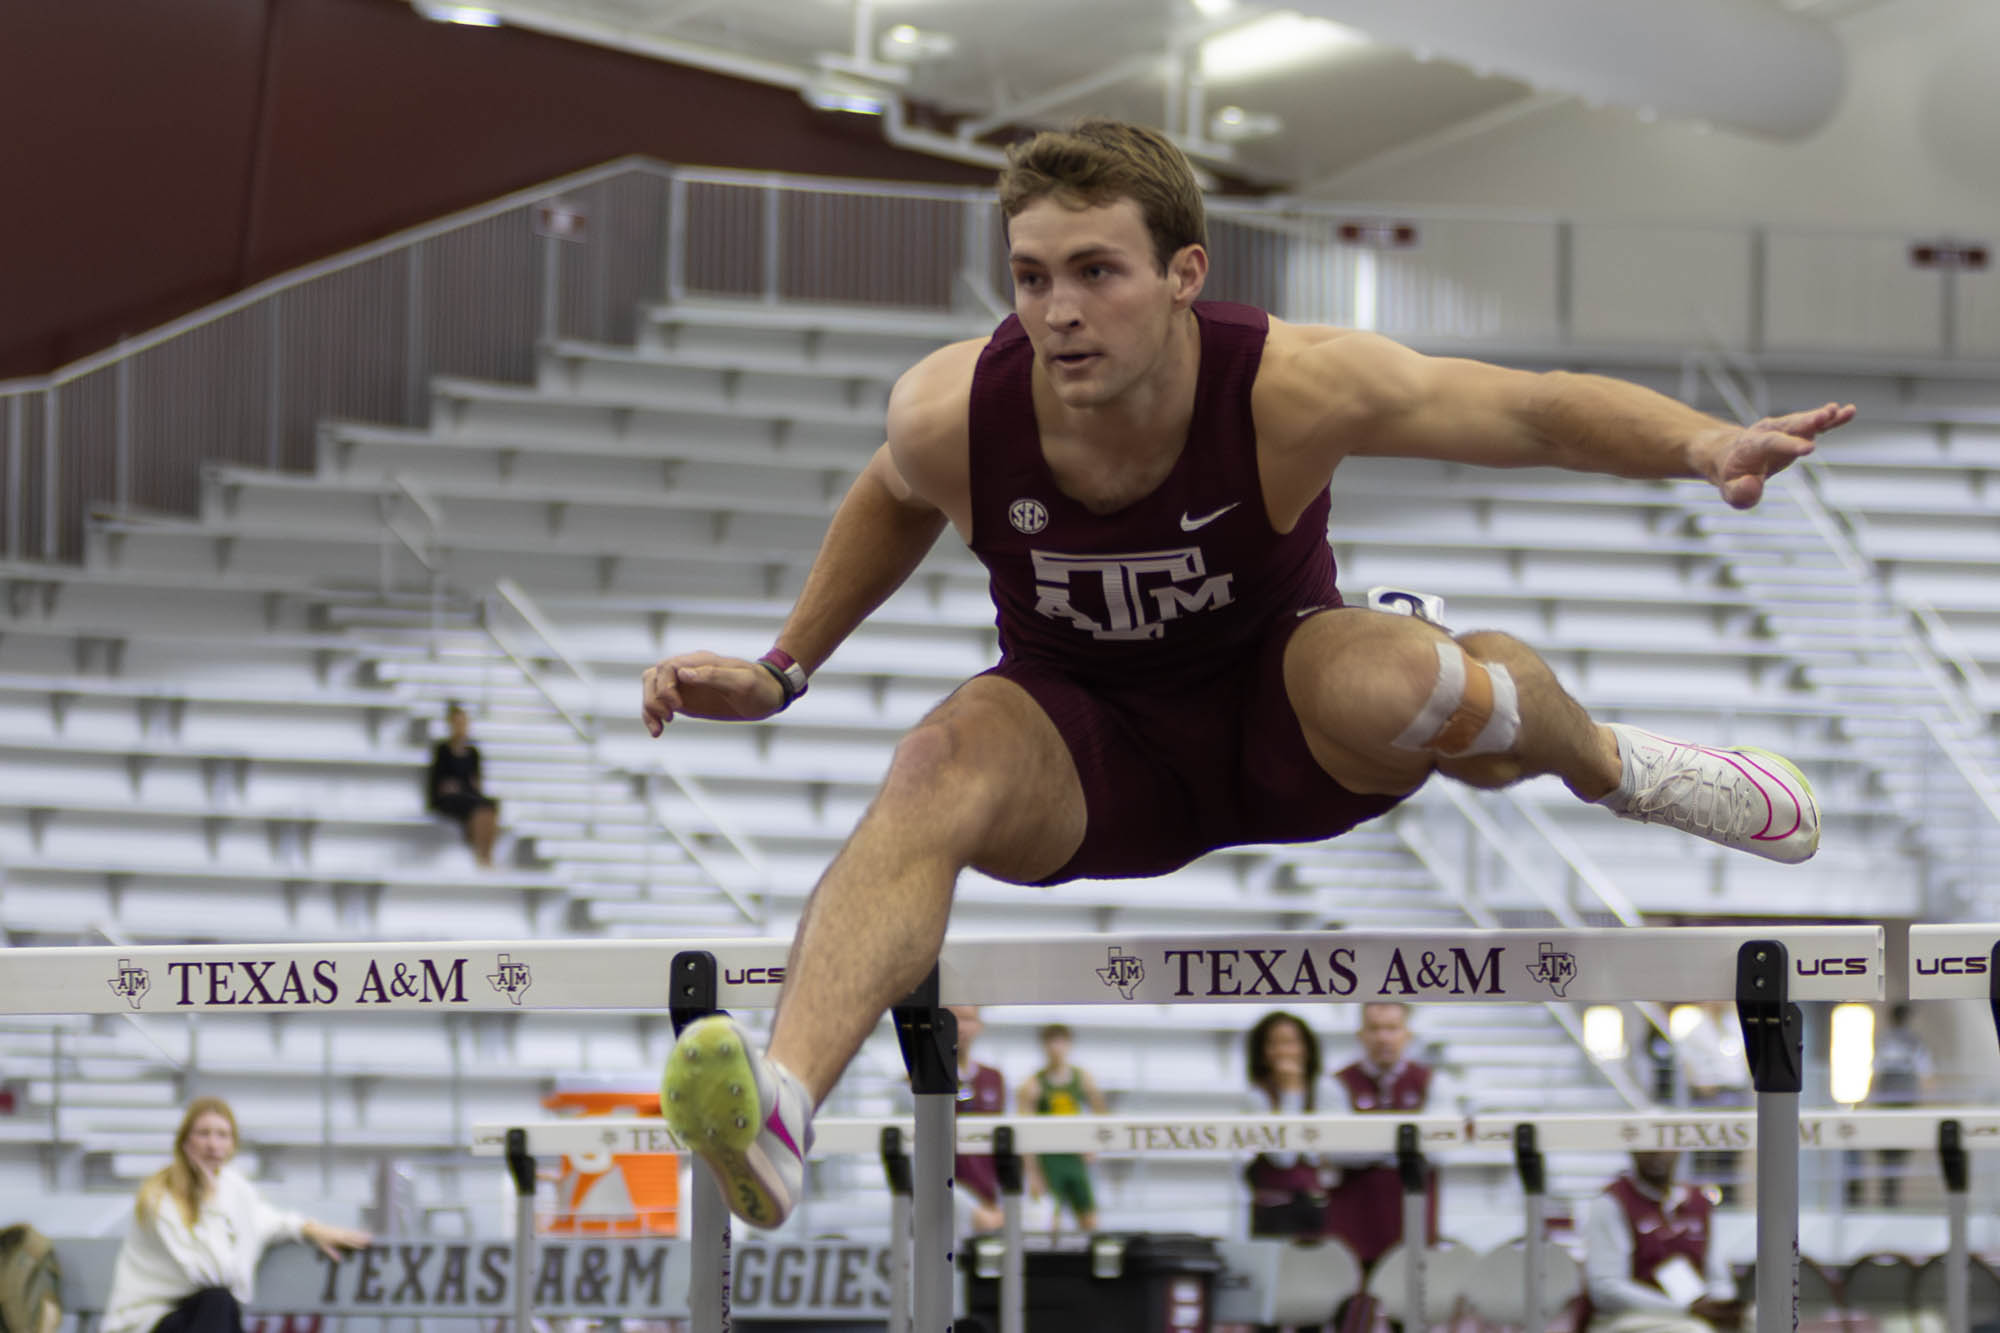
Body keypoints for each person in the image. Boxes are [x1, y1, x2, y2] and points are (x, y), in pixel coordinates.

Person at [642, 118, 1848, 1229]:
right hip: (1086, 744)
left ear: (1182, 275)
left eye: (1095, 272)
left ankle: (1621, 767)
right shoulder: (953, 407)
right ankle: (785, 1108)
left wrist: (1701, 444)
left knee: (1404, 680)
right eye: (1030, 277)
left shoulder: (1287, 382)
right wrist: (781, 668)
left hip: (1284, 713)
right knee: (934, 758)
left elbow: (1526, 413)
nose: (1057, 311)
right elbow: (894, 494)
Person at [103, 1098, 371, 1333]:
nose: (212, 1144)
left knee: (222, 1308)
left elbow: (268, 1222)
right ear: (185, 1142)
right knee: (219, 1300)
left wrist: (312, 1230)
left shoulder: (234, 1188)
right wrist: (209, 1202)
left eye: (222, 1135)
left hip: (203, 1319)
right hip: (148, 1322)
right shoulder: (161, 1198)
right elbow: (213, 1274)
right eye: (203, 1134)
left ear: (233, 1145)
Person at [1323, 1002, 1449, 1267]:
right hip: (1354, 1223)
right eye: (1374, 1028)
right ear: (1361, 1035)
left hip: (1414, 1221)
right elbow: (1338, 1150)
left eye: (1392, 1028)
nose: (1383, 1037)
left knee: (1414, 1298)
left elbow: (1440, 1147)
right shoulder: (1336, 1083)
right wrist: (1406, 1141)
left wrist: (1368, 1140)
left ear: (1407, 1034)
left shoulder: (1433, 1082)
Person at [1583, 1151, 1743, 1333]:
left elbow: (1719, 1277)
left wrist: (1720, 1306)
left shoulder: (1699, 1202)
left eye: (1665, 1145)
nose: (1657, 1154)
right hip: (1632, 1318)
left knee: (1757, 1321)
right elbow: (1607, 1288)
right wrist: (1685, 1309)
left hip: (1696, 1314)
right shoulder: (1612, 1202)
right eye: (1648, 1146)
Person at [1016, 1023, 1107, 1236]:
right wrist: (1032, 1172)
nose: (1056, 1048)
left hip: (1075, 1155)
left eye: (1061, 1042)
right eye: (1051, 1042)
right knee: (1050, 1221)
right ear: (1044, 1046)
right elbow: (1023, 1132)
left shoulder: (1082, 1078)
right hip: (1049, 1158)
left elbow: (1100, 1111)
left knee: (1089, 1218)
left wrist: (1094, 1145)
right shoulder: (1033, 1084)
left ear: (1069, 1045)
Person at [1851, 1003, 1934, 1206]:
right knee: (1897, 1149)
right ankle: (1891, 1194)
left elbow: (1875, 1071)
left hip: (1887, 1100)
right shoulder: (1913, 1042)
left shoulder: (1885, 1041)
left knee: (1889, 1148)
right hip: (1902, 1100)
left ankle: (1889, 1192)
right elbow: (1926, 1071)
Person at [1674, 1001, 1750, 1203]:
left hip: (1735, 1093)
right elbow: (1688, 1062)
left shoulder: (1734, 1025)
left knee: (1732, 1149)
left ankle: (1729, 1197)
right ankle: (1703, 1199)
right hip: (1710, 1096)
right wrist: (1700, 1084)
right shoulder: (1696, 1030)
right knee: (1707, 1149)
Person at [946, 1005, 1008, 1234]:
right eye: (953, 1018)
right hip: (946, 1201)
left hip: (992, 1198)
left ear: (979, 1026)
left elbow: (1006, 1141)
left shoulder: (994, 1078)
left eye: (967, 1019)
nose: (960, 1027)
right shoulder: (919, 1080)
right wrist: (965, 1205)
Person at [428, 704, 499, 868]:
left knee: (488, 807)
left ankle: (486, 854)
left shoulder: (473, 753)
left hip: (467, 795)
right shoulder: (442, 751)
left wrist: (461, 786)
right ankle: (480, 854)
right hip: (448, 799)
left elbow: (475, 781)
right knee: (476, 808)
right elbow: (440, 784)